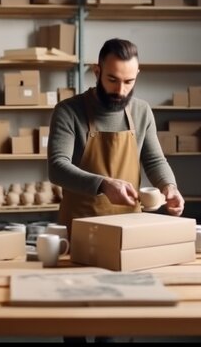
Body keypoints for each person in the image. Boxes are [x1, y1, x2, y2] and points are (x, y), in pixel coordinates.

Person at [48, 37, 185, 234]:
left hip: (130, 225)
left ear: (137, 75)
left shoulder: (142, 111)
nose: (120, 91)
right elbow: (57, 168)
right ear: (97, 72)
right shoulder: (68, 111)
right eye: (112, 80)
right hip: (81, 226)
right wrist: (103, 184)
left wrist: (169, 186)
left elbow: (154, 160)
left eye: (129, 82)